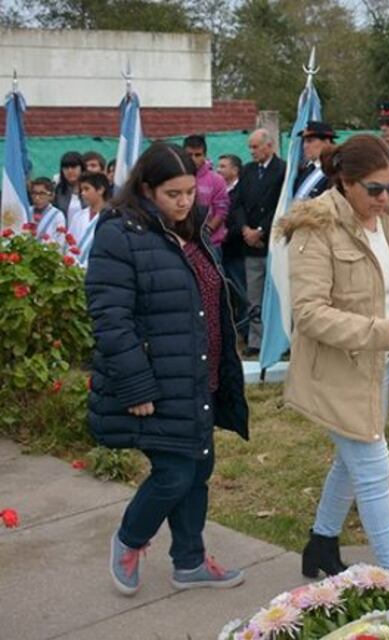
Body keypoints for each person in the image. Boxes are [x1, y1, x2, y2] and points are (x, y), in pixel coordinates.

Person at [85, 142, 249, 596]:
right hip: (158, 380)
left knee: (198, 468)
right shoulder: (121, 233)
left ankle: (190, 561)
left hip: (199, 374)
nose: (184, 202)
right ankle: (129, 539)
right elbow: (110, 318)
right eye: (172, 194)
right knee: (174, 472)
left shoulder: (187, 227)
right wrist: (136, 385)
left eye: (190, 192)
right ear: (145, 188)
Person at [280, 134, 389, 578]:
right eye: (375, 189)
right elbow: (308, 313)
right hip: (336, 371)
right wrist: (378, 332)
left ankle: (321, 547)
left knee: (351, 463)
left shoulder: (388, 221)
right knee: (372, 468)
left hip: (379, 365)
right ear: (345, 182)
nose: (386, 198)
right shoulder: (316, 227)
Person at [228, 129, 286, 357]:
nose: (251, 152)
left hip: (272, 241)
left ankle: (279, 339)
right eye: (250, 147)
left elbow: (279, 204)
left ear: (269, 146)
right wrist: (245, 229)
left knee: (278, 293)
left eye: (255, 147)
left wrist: (261, 230)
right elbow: (238, 202)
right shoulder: (248, 171)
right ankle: (256, 340)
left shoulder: (282, 169)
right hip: (250, 243)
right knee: (254, 294)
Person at [183, 134, 230, 259]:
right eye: (189, 155)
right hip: (183, 243)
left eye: (198, 155)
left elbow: (221, 210)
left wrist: (206, 232)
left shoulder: (217, 180)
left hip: (211, 243)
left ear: (204, 155)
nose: (193, 159)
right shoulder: (176, 178)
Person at [217, 153, 248, 332]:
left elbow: (241, 216)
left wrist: (231, 232)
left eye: (223, 166)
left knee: (241, 290)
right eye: (218, 166)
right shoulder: (220, 190)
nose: (219, 170)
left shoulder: (241, 190)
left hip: (237, 248)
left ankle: (245, 330)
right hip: (222, 249)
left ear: (235, 170)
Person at [73, 171, 112, 268]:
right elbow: (70, 244)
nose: (82, 193)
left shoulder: (112, 217)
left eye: (87, 189)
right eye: (81, 190)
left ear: (100, 190)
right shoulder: (78, 216)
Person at [293, 121, 336, 200]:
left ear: (326, 142)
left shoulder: (334, 170)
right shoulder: (305, 170)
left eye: (310, 141)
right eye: (304, 142)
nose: (305, 146)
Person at [29, 177, 67, 252]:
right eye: (34, 193)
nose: (37, 197)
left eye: (42, 193)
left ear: (51, 196)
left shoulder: (57, 215)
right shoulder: (27, 211)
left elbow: (60, 242)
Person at [54, 151, 84, 224]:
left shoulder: (92, 189)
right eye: (66, 168)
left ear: (82, 168)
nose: (70, 171)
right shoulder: (58, 190)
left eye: (74, 167)